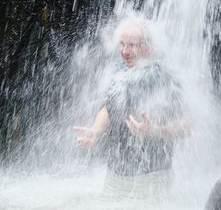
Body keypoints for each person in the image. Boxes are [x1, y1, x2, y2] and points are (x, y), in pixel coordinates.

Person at [73, 17, 190, 200]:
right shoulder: (120, 73)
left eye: (132, 45)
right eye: (122, 44)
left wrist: (155, 131)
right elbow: (108, 109)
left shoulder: (165, 79)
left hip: (152, 179)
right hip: (115, 177)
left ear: (149, 47)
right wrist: (95, 131)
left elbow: (187, 125)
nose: (125, 52)